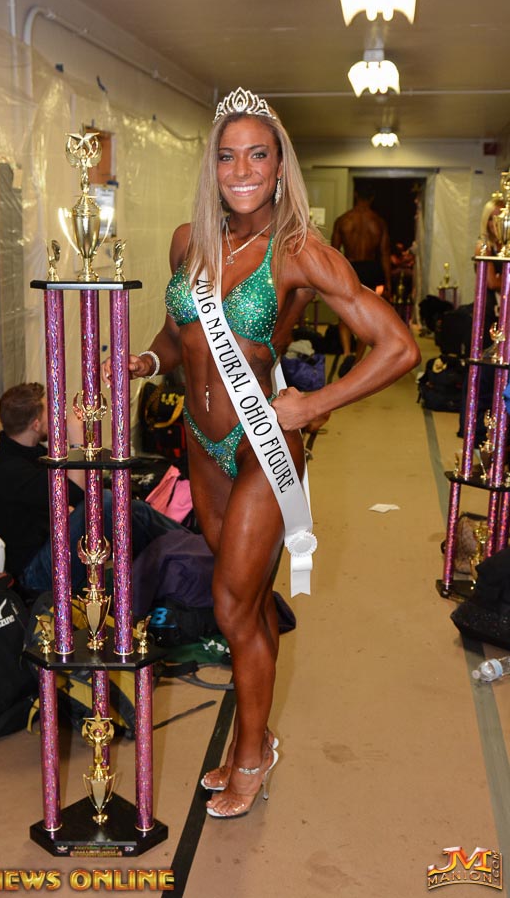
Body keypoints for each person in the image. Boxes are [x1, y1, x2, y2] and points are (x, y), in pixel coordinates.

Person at [102, 87, 420, 819]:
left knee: (230, 603)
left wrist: (313, 402)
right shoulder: (189, 241)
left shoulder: (301, 249)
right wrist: (146, 364)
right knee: (245, 603)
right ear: (212, 167)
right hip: (201, 444)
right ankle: (259, 732)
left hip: (260, 445)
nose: (241, 170)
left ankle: (250, 751)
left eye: (257, 155)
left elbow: (399, 346)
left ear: (280, 167)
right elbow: (179, 335)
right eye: (228, 157)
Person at [0, 382, 182, 593]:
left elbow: (69, 499)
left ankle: (187, 547)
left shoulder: (28, 454)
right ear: (36, 425)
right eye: (50, 413)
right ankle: (182, 553)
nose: (56, 419)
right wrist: (76, 439)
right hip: (34, 574)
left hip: (49, 549)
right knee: (105, 502)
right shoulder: (6, 471)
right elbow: (77, 494)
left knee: (131, 508)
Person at [331, 183, 392, 375]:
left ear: (356, 195)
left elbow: (333, 253)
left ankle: (347, 352)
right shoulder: (379, 222)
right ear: (372, 198)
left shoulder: (343, 220)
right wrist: (388, 282)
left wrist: (332, 278)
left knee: (344, 313)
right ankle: (357, 361)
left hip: (350, 268)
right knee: (367, 317)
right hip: (372, 269)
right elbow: (385, 254)